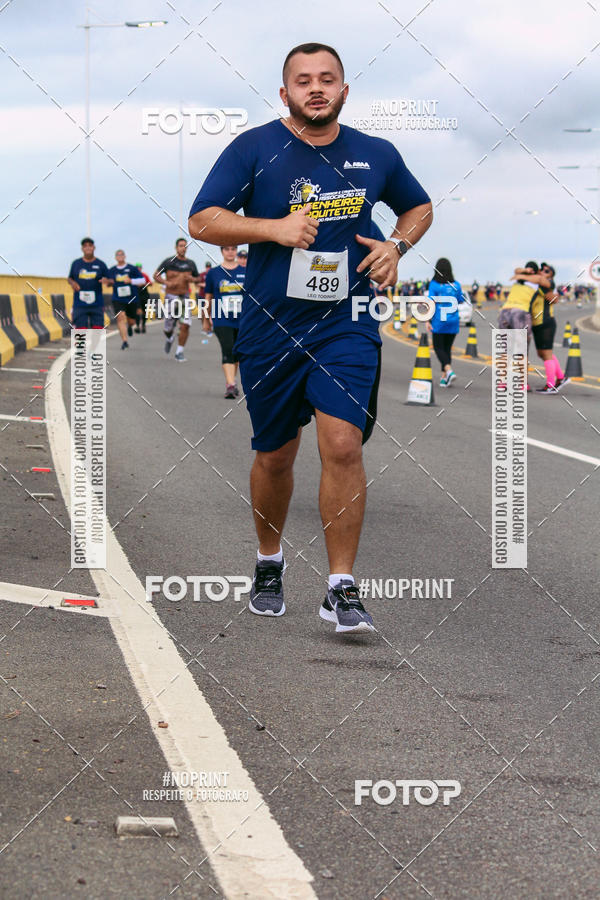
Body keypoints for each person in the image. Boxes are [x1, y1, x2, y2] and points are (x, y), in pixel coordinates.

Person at [189, 41, 432, 632]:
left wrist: (396, 248)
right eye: (303, 80)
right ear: (286, 93)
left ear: (344, 90)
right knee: (274, 454)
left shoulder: (376, 153)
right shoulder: (253, 148)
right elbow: (202, 220)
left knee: (343, 444)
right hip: (271, 326)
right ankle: (269, 561)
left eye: (327, 79)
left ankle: (340, 586)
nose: (316, 88)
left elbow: (419, 206)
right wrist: (271, 227)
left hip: (345, 323)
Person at [499, 261, 552, 391]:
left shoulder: (517, 280)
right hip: (520, 313)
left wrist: (522, 274)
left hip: (504, 312)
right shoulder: (536, 282)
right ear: (535, 271)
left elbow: (517, 271)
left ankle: (502, 383)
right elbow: (547, 283)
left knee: (505, 350)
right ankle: (522, 384)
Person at [203, 245, 246, 398]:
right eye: (227, 249)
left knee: (237, 353)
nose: (230, 252)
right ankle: (230, 384)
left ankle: (232, 381)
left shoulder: (245, 272)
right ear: (222, 251)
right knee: (227, 349)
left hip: (243, 319)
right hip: (222, 319)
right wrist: (206, 319)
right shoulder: (214, 273)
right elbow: (208, 297)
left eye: (233, 249)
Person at [153, 238, 201, 361]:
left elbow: (198, 279)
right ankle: (169, 338)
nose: (183, 248)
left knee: (185, 325)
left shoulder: (190, 264)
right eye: (180, 246)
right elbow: (156, 275)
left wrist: (192, 279)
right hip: (171, 297)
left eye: (185, 246)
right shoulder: (169, 262)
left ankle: (179, 351)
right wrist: (166, 283)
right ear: (176, 247)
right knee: (168, 328)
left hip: (184, 296)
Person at [427, 258, 465, 386]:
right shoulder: (457, 285)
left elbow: (430, 302)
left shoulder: (434, 284)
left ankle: (448, 370)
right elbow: (461, 300)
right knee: (447, 349)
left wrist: (427, 320)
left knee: (438, 348)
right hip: (453, 321)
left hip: (439, 321)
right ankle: (444, 377)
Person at [530, 263, 568, 393]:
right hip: (538, 322)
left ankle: (551, 385)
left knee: (546, 353)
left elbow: (552, 295)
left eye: (546, 271)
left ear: (551, 275)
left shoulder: (545, 285)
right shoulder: (543, 284)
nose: (542, 272)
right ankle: (561, 378)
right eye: (541, 269)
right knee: (542, 353)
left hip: (545, 322)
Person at [105, 250, 146, 349]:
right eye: (118, 255)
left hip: (131, 298)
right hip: (118, 298)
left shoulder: (132, 268)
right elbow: (108, 282)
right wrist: (109, 282)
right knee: (120, 317)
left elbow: (143, 281)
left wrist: (131, 280)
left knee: (131, 320)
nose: (120, 256)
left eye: (121, 254)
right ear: (115, 257)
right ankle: (124, 341)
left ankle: (130, 326)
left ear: (125, 256)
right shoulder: (112, 270)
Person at [67, 237, 109, 328]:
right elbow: (69, 278)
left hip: (97, 303)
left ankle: (95, 342)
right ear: (82, 249)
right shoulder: (76, 263)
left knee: (97, 333)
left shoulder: (101, 264)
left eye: (90, 245)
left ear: (94, 248)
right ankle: (81, 342)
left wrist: (107, 281)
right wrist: (73, 283)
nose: (88, 248)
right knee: (80, 334)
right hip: (80, 303)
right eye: (85, 246)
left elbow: (111, 280)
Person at [134, 262, 152, 333]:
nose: (138, 268)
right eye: (137, 267)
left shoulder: (144, 275)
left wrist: (143, 284)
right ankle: (138, 326)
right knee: (137, 310)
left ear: (141, 268)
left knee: (144, 311)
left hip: (144, 295)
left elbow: (150, 283)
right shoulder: (133, 276)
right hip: (136, 295)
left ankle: (143, 325)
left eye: (139, 267)